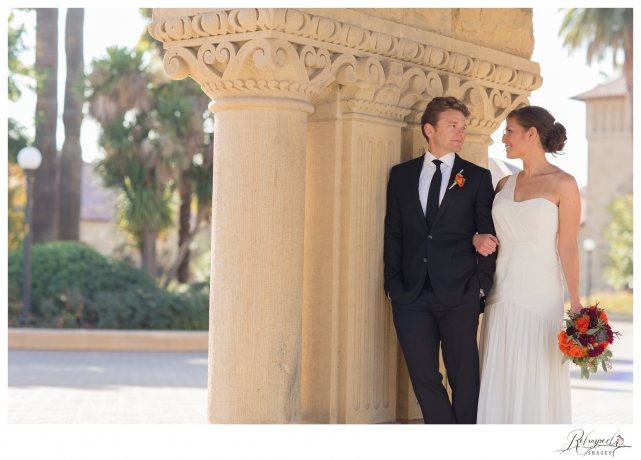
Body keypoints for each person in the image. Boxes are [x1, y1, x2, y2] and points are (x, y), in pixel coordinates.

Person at [383, 96, 497, 424]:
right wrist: (393, 284)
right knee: (423, 376)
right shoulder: (401, 175)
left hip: (460, 293)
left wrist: (480, 287)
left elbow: (488, 236)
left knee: (464, 377)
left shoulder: (475, 177)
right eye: (452, 125)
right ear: (429, 129)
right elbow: (394, 233)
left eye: (463, 127)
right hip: (410, 294)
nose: (460, 132)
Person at [473, 105, 581, 424]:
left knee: (534, 373)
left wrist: (575, 302)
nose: (502, 137)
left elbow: (569, 245)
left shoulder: (564, 183)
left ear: (531, 134)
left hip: (540, 295)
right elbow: (484, 234)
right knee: (500, 374)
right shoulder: (503, 185)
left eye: (509, 130)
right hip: (501, 293)